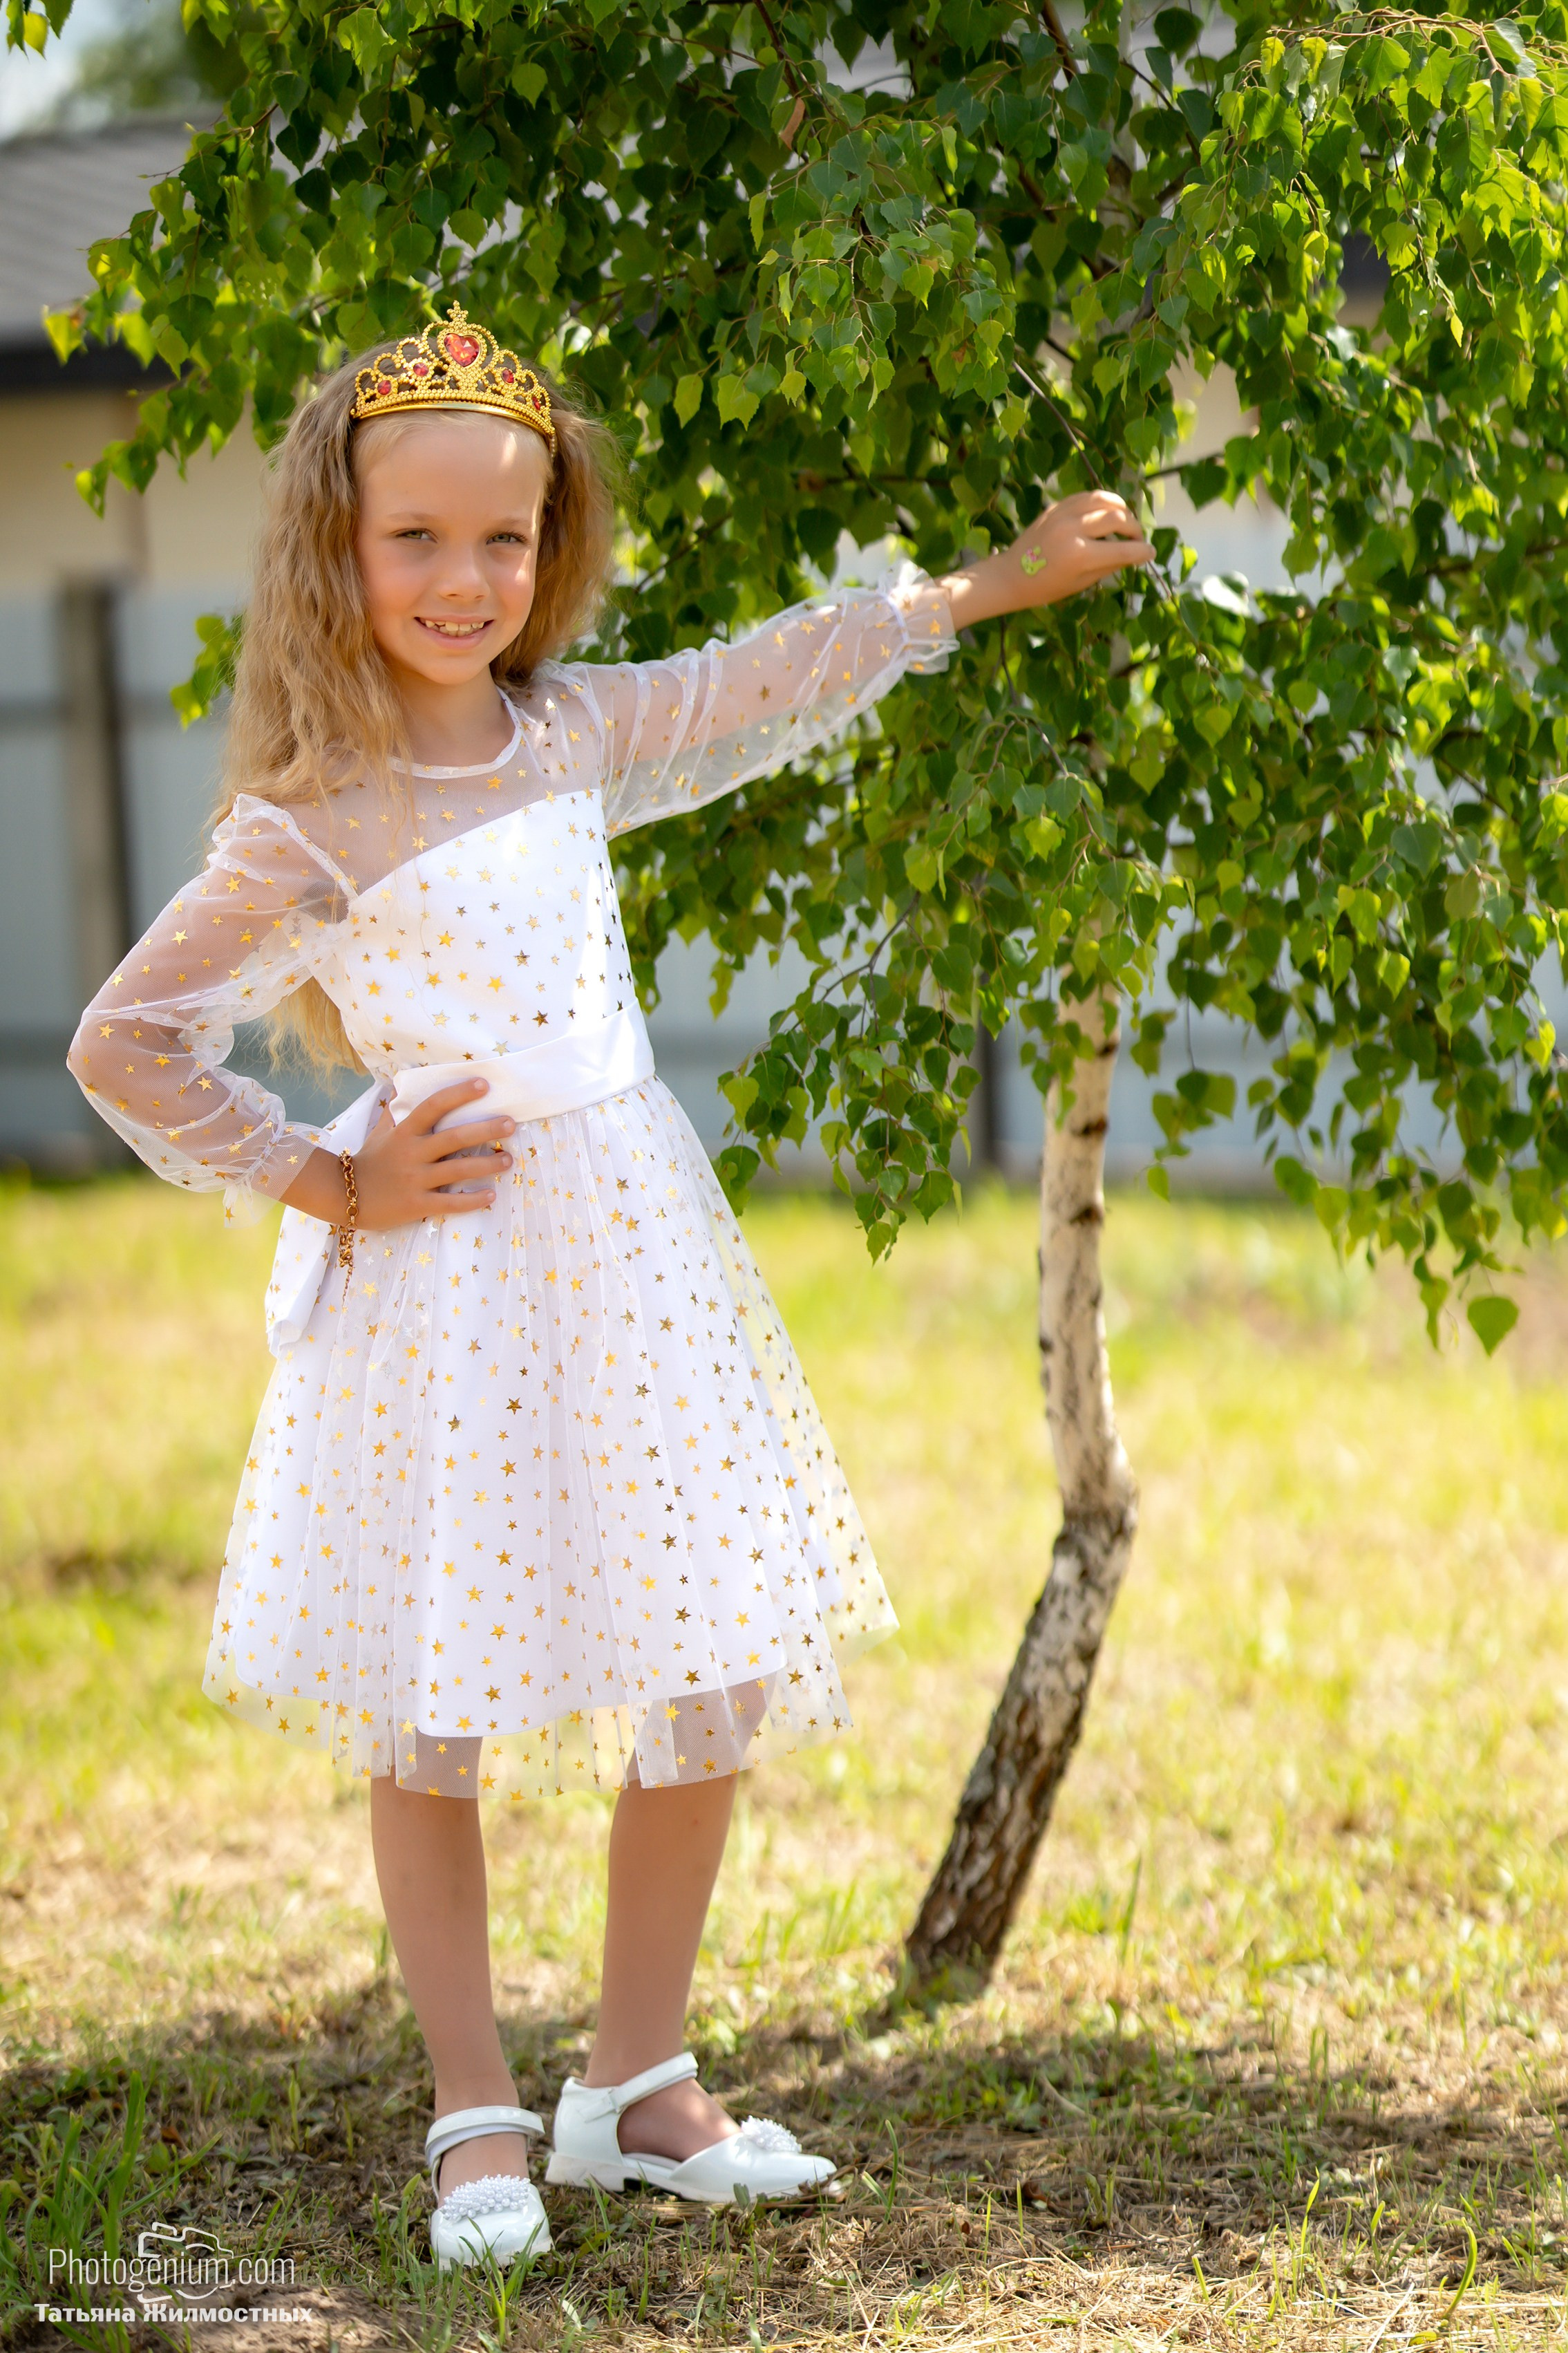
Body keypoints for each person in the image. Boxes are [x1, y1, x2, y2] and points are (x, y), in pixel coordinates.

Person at [67, 306, 1153, 2268]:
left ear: (548, 544)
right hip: (450, 1281)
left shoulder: (566, 730)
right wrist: (329, 1175)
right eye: (418, 541)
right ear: (339, 546)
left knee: (707, 1658)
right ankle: (476, 2109)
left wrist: (988, 588)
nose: (466, 580)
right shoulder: (314, 810)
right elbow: (128, 1038)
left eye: (506, 539)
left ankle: (634, 2083)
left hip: (635, 1255)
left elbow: (764, 675)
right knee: (438, 1703)